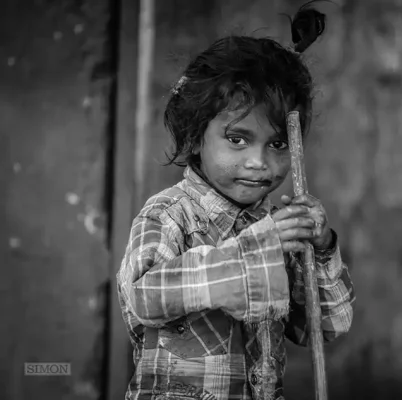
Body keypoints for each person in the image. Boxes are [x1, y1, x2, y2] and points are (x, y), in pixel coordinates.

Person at [116, 4, 355, 399]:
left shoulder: (280, 229)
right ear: (195, 137)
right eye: (237, 139)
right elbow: (144, 297)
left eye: (277, 144)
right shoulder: (169, 214)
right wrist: (255, 249)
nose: (259, 163)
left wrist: (322, 247)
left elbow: (324, 327)